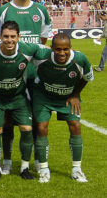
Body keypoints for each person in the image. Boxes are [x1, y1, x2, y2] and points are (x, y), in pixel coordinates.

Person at [0, 0, 52, 175]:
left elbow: (42, 43)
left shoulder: (41, 10)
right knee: (6, 121)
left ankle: (32, 159)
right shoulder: (3, 11)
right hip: (9, 76)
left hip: (34, 76)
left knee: (33, 119)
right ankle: (6, 160)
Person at [0, 21, 44, 181]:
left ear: (19, 37)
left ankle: (24, 167)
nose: (9, 40)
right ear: (0, 37)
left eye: (13, 37)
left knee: (27, 128)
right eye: (6, 36)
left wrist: (73, 53)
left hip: (18, 97)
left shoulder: (28, 50)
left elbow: (48, 52)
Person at [32, 33, 93, 183]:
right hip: (43, 96)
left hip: (68, 97)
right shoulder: (41, 55)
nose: (62, 53)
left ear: (71, 48)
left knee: (75, 125)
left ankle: (77, 169)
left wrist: (75, 95)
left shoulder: (80, 59)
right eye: (58, 49)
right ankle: (44, 169)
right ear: (51, 48)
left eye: (65, 49)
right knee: (41, 127)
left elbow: (87, 78)